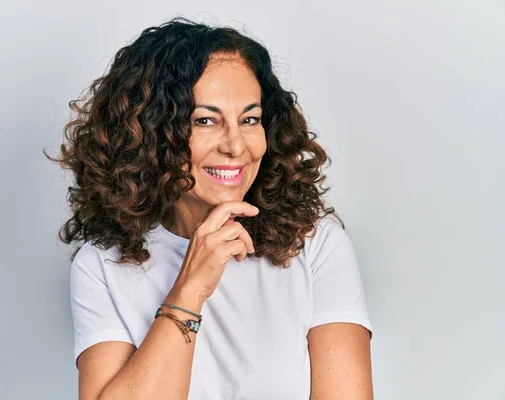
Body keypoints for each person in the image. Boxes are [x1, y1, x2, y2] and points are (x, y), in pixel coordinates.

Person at [46, 16, 373, 400]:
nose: (236, 146)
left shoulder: (316, 247)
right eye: (205, 120)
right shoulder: (103, 264)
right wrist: (190, 289)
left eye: (250, 119)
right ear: (151, 133)